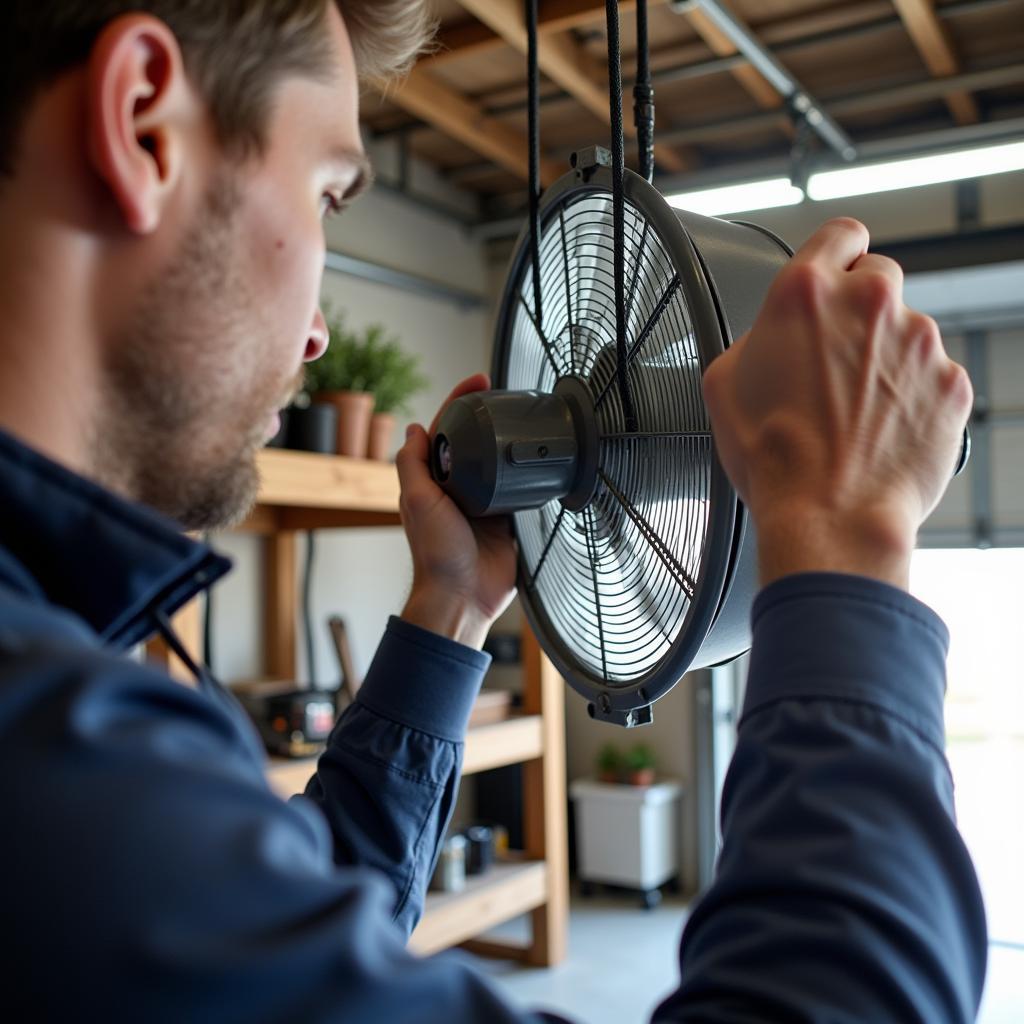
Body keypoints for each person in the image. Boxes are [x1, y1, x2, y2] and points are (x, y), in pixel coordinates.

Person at [0, 2, 985, 1022]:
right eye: (329, 195)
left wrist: (450, 606)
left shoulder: (67, 736)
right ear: (144, 123)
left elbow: (286, 916)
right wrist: (845, 540)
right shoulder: (47, 772)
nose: (316, 338)